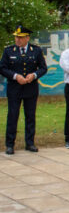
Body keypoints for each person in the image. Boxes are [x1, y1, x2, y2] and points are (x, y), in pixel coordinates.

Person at [0, 25, 47, 154]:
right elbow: (2, 68)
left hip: (30, 88)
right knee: (13, 115)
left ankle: (30, 143)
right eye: (16, 37)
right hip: (14, 88)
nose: (18, 40)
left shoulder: (36, 51)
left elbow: (43, 68)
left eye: (20, 37)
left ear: (27, 38)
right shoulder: (9, 51)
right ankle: (10, 144)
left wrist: (34, 75)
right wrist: (15, 76)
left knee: (30, 116)